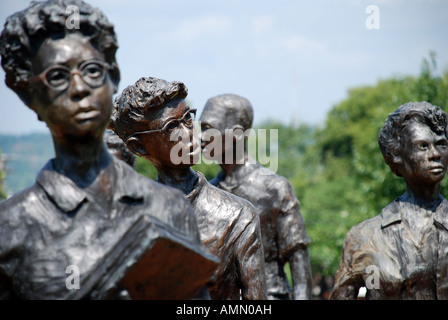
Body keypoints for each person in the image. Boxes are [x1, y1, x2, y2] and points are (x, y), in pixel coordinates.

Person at [0, 0, 213, 300]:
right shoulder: (9, 229)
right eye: (57, 76)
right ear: (28, 95)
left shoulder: (170, 209)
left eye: (91, 70)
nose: (79, 88)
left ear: (112, 77)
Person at [110, 77, 268, 300]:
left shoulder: (238, 215)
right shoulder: (126, 218)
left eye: (187, 119)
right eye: (172, 127)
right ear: (138, 146)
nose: (189, 134)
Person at [330, 101, 448, 300]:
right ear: (396, 157)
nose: (435, 154)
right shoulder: (364, 238)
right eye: (422, 146)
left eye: (441, 144)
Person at [199, 93, 312, 300]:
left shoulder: (274, 188)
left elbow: (300, 266)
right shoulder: (209, 191)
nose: (201, 137)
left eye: (208, 128)